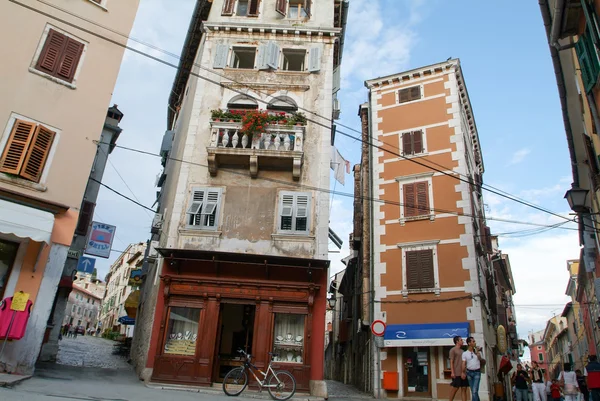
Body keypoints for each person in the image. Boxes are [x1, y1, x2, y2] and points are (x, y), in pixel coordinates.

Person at [462, 337, 483, 401]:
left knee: (474, 391)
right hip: (469, 373)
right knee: (473, 391)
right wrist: (463, 372)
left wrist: (477, 353)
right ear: (469, 343)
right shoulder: (465, 353)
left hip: (477, 372)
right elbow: (463, 363)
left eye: (474, 341)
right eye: (473, 341)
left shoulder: (478, 351)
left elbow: (480, 359)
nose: (475, 342)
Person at [449, 336, 469, 401]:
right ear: (457, 341)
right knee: (455, 388)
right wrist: (452, 372)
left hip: (463, 372)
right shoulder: (453, 350)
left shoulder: (463, 351)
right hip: (456, 372)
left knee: (464, 388)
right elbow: (451, 361)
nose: (462, 341)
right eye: (461, 340)